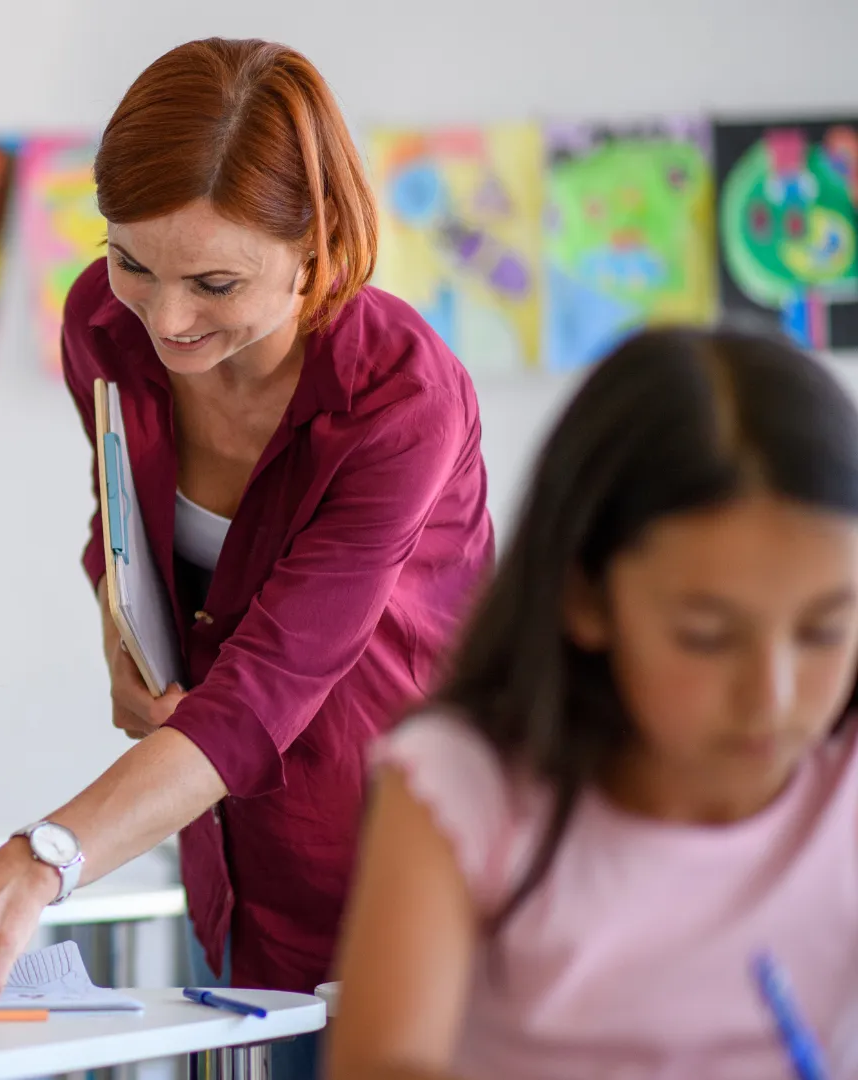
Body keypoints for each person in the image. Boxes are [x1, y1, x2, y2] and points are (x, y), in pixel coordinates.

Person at [0, 35, 493, 1026]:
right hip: (225, 851)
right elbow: (126, 524)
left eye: (216, 286)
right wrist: (121, 628)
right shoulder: (102, 326)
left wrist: (45, 857)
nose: (166, 318)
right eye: (132, 262)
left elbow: (269, 683)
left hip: (407, 864)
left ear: (318, 250)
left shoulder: (400, 397)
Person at [330, 329, 858, 1078]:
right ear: (586, 596)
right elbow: (380, 1065)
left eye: (824, 630)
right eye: (706, 637)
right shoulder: (465, 787)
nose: (771, 697)